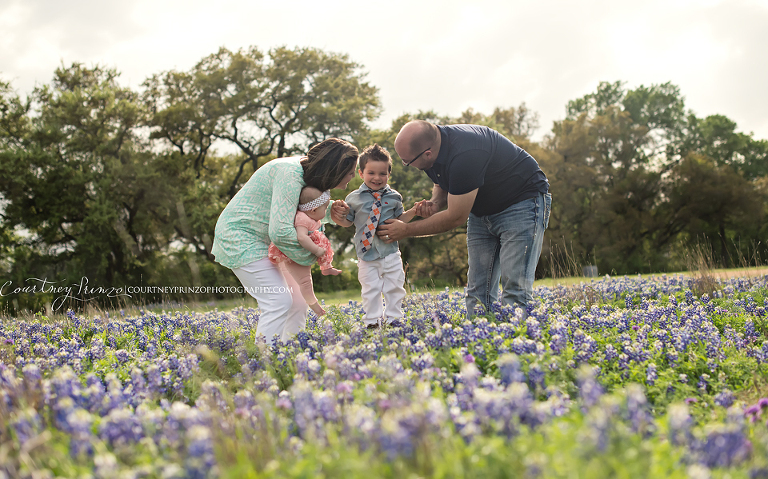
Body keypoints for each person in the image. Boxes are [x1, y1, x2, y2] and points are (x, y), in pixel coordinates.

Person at [379, 121, 551, 316]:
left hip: (521, 203)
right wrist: (436, 203)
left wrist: (406, 230)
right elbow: (442, 181)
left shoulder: (466, 152)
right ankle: (483, 341)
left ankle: (516, 340)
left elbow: (455, 217)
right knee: (478, 291)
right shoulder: (432, 145)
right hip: (481, 210)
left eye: (407, 162)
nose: (406, 165)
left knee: (514, 288)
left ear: (427, 153)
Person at [211, 138, 358, 342]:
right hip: (240, 236)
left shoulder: (308, 177)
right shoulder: (290, 174)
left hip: (266, 240)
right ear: (335, 169)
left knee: (298, 301)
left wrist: (329, 211)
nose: (352, 176)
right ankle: (266, 361)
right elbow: (280, 231)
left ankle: (290, 354)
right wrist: (312, 256)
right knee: (277, 301)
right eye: (350, 171)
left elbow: (299, 212)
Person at [334, 144, 417, 329]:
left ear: (389, 174)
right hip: (366, 254)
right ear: (361, 173)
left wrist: (414, 212)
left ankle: (394, 319)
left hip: (390, 251)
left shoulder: (395, 197)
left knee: (395, 287)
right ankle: (373, 321)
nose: (377, 178)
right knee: (370, 289)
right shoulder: (353, 198)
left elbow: (400, 221)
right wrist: (338, 215)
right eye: (371, 173)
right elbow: (348, 222)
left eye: (382, 174)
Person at [267, 186, 342, 318]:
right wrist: (316, 249)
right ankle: (314, 305)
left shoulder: (310, 217)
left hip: (305, 250)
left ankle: (326, 268)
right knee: (305, 281)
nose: (326, 210)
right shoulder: (301, 218)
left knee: (325, 251)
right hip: (294, 255)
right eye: (325, 208)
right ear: (313, 210)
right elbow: (301, 237)